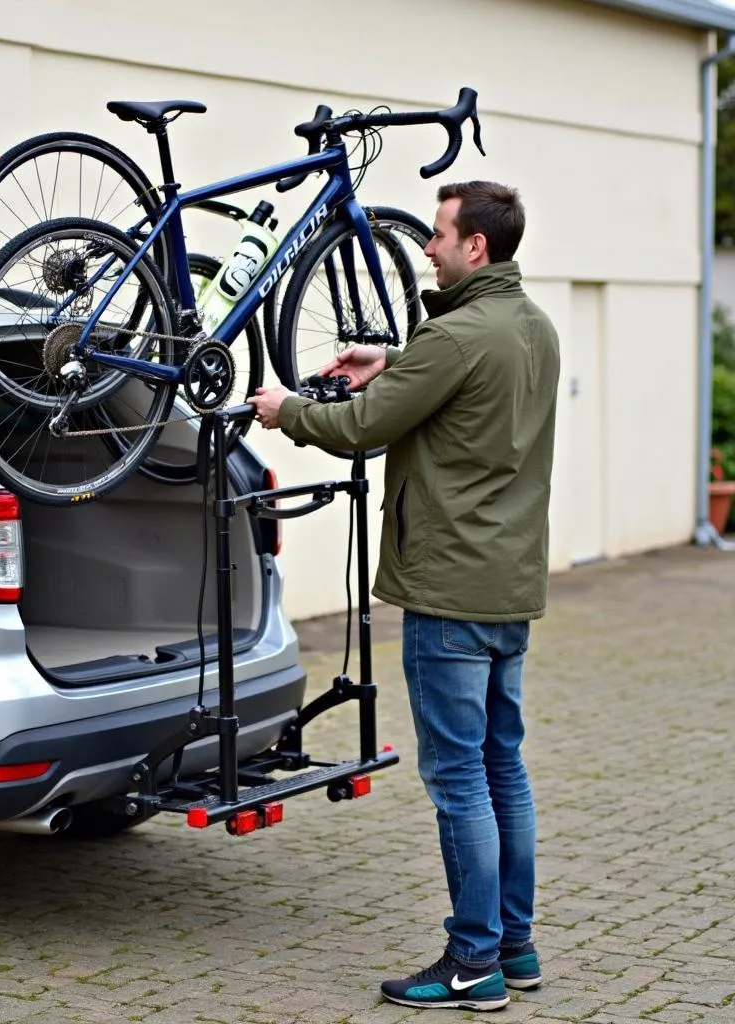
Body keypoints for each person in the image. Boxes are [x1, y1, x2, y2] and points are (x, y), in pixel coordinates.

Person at [249, 181, 560, 1012]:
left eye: (439, 234)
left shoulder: (454, 335)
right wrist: (392, 364)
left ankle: (472, 962)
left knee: (459, 779)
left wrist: (286, 409)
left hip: (448, 592)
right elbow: (457, 392)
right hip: (507, 589)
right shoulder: (535, 327)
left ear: (476, 249)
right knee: (503, 769)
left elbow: (359, 427)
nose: (426, 246)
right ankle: (516, 950)